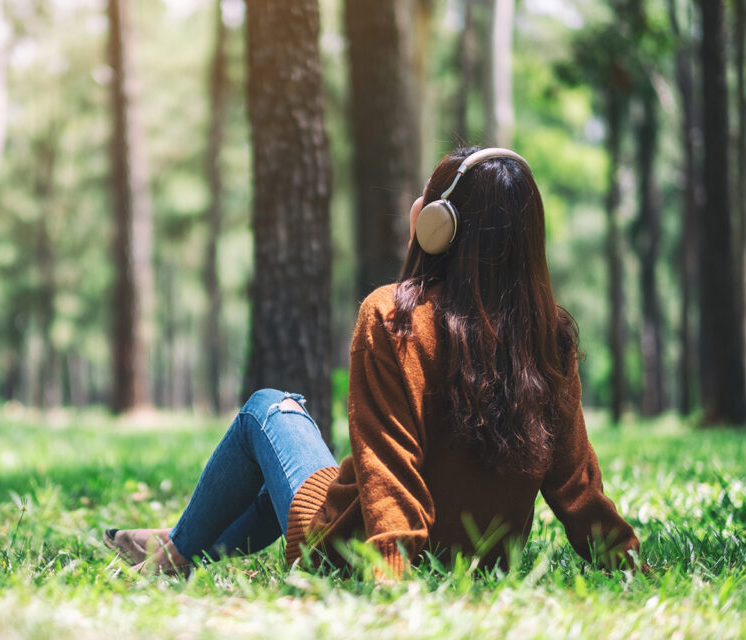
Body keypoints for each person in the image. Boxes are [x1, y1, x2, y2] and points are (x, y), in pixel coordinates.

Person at [105, 147, 640, 578]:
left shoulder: (393, 317)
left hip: (350, 552)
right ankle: (181, 545)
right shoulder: (547, 337)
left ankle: (176, 552)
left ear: (437, 225)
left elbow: (389, 464)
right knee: (276, 488)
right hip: (486, 563)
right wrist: (626, 561)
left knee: (268, 409)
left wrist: (389, 577)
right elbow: (576, 483)